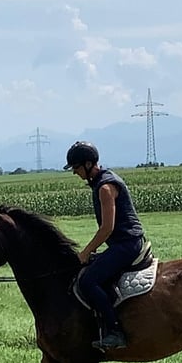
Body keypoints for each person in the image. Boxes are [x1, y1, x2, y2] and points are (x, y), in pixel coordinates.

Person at [64, 141, 146, 350]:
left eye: (76, 167)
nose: (75, 172)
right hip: (123, 243)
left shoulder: (105, 187)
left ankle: (115, 330)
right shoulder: (101, 182)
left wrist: (86, 252)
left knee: (88, 282)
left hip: (127, 244)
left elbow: (107, 229)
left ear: (89, 164)